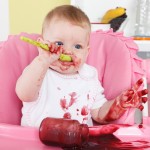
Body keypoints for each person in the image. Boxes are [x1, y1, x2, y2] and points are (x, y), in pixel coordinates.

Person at [15, 5, 148, 128]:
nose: (68, 51)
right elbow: (24, 94)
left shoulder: (89, 76)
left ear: (87, 52)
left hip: (78, 144)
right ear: (42, 45)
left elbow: (99, 113)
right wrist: (43, 60)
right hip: (36, 143)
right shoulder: (39, 71)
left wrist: (119, 104)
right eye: (59, 43)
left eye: (77, 46)